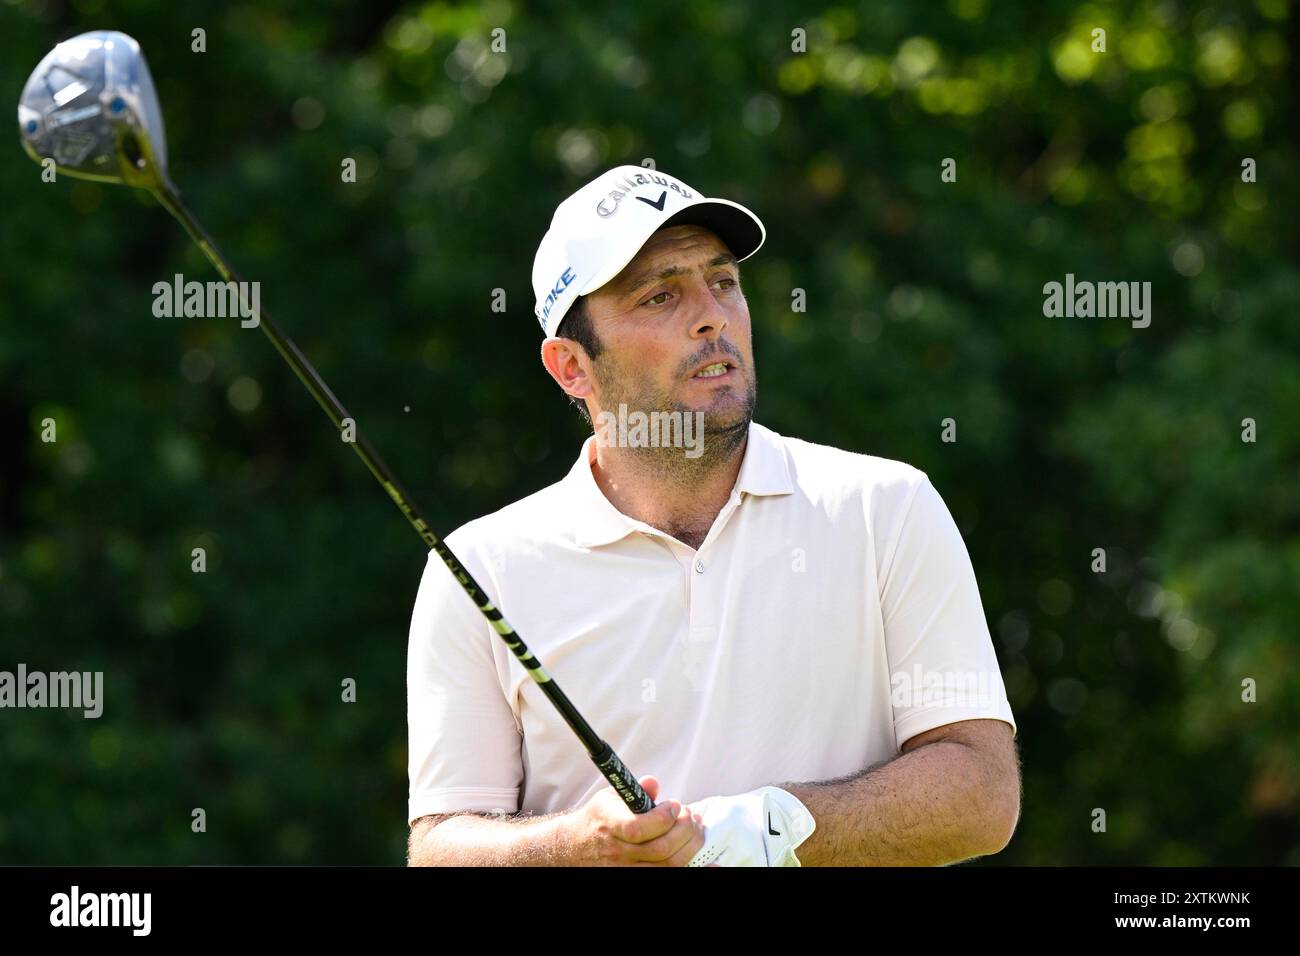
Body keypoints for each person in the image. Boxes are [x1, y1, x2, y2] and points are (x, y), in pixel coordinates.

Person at [406, 165, 1020, 866]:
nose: (713, 315)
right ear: (572, 366)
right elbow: (442, 848)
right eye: (662, 294)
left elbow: (981, 792)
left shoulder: (887, 509)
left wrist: (768, 827)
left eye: (722, 282)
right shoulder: (479, 568)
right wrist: (575, 848)